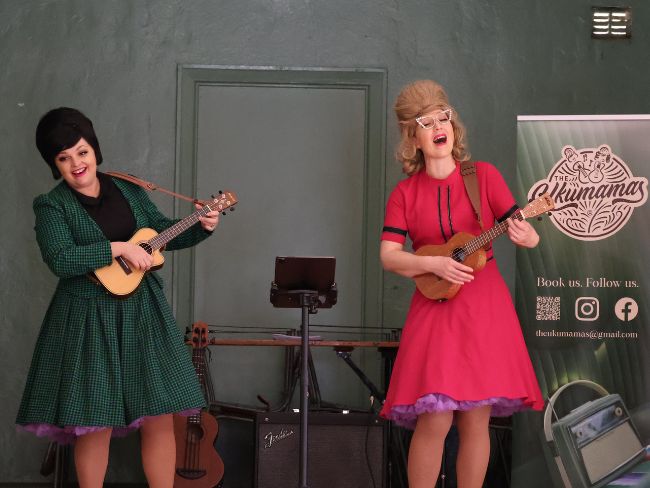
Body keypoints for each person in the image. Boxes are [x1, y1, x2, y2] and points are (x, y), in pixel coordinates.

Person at [16, 107, 220, 488]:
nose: (76, 163)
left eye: (81, 151)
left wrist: (202, 226)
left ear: (94, 148)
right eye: (63, 158)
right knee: (96, 421)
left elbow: (159, 233)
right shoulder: (52, 205)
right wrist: (116, 248)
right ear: (54, 164)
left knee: (160, 414)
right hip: (87, 316)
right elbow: (60, 258)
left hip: (143, 311)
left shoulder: (126, 188)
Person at [379, 80, 544, 488]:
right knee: (434, 418)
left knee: (476, 419)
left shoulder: (483, 176)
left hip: (484, 307)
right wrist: (432, 261)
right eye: (426, 121)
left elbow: (522, 226)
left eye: (443, 117)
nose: (439, 126)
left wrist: (529, 235)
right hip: (434, 309)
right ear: (412, 137)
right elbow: (388, 255)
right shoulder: (404, 193)